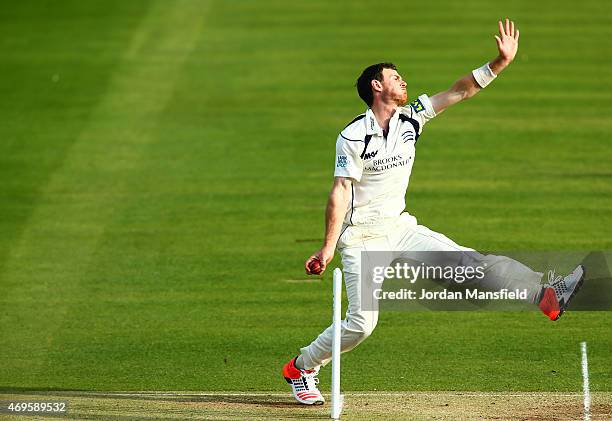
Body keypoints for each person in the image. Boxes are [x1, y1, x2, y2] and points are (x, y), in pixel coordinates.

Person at [282, 19, 585, 405]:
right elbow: (340, 191)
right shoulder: (353, 136)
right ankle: (301, 367)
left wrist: (499, 63)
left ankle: (547, 295)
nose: (404, 82)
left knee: (470, 265)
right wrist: (327, 248)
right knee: (362, 324)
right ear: (377, 86)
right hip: (361, 237)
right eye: (396, 78)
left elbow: (460, 91)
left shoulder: (412, 118)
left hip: (401, 227)